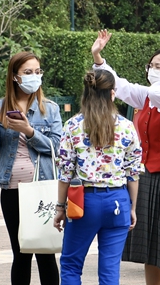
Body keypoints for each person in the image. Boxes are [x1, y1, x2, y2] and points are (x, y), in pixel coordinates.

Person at [90, 30, 160, 285]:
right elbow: (121, 85)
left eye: (158, 66)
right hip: (146, 177)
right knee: (149, 248)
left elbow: (158, 94)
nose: (151, 70)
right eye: (150, 66)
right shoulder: (148, 97)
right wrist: (98, 57)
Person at [0, 52, 64, 285]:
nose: (34, 77)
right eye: (28, 72)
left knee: (45, 253)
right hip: (12, 190)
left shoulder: (50, 109)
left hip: (42, 190)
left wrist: (29, 131)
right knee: (21, 253)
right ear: (14, 77)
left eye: (37, 72)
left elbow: (57, 147)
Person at [53, 68, 142, 285]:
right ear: (113, 94)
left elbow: (65, 173)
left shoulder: (73, 126)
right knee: (110, 270)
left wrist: (60, 207)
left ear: (86, 94)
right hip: (117, 201)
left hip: (83, 202)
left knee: (71, 264)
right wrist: (132, 207)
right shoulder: (126, 126)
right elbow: (133, 172)